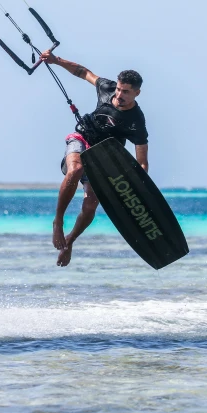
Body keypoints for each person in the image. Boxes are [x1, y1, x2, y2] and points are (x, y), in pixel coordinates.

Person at [39, 49, 149, 267]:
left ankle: (69, 242)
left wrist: (137, 185)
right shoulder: (107, 88)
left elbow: (142, 162)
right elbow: (82, 72)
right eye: (118, 89)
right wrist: (55, 60)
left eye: (126, 92)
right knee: (75, 169)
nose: (119, 95)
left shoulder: (137, 121)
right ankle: (58, 222)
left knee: (90, 205)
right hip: (81, 137)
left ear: (137, 93)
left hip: (103, 159)